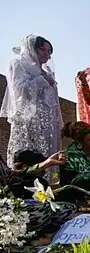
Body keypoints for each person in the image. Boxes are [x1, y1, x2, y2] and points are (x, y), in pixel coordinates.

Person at [0, 35, 62, 181]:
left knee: (49, 156)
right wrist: (41, 80)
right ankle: (22, 187)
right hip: (28, 121)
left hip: (47, 125)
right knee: (26, 155)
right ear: (31, 48)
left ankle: (49, 189)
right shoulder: (18, 64)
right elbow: (20, 90)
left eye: (49, 51)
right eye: (43, 49)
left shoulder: (47, 72)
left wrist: (58, 122)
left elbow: (54, 102)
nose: (47, 54)